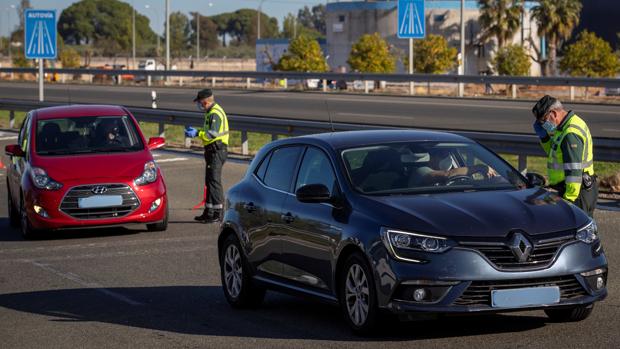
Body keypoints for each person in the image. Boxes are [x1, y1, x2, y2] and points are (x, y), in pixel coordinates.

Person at [531, 95, 597, 217]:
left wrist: (569, 202)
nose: (543, 124)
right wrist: (544, 137)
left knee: (578, 232)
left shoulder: (570, 133)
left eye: (543, 120)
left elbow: (574, 172)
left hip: (576, 192)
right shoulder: (564, 127)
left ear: (553, 114)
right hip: (570, 188)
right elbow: (555, 153)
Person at [185, 89, 230, 223]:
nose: (198, 105)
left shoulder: (214, 113)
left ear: (205, 102)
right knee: (209, 181)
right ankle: (209, 211)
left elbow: (212, 134)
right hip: (212, 150)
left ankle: (218, 213)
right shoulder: (210, 112)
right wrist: (198, 132)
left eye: (199, 102)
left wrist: (197, 134)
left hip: (217, 150)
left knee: (214, 181)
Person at [413, 148, 497, 186]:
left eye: (448, 155)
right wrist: (479, 168)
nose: (448, 158)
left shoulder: (456, 172)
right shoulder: (422, 171)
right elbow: (447, 174)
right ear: (432, 158)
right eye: (442, 155)